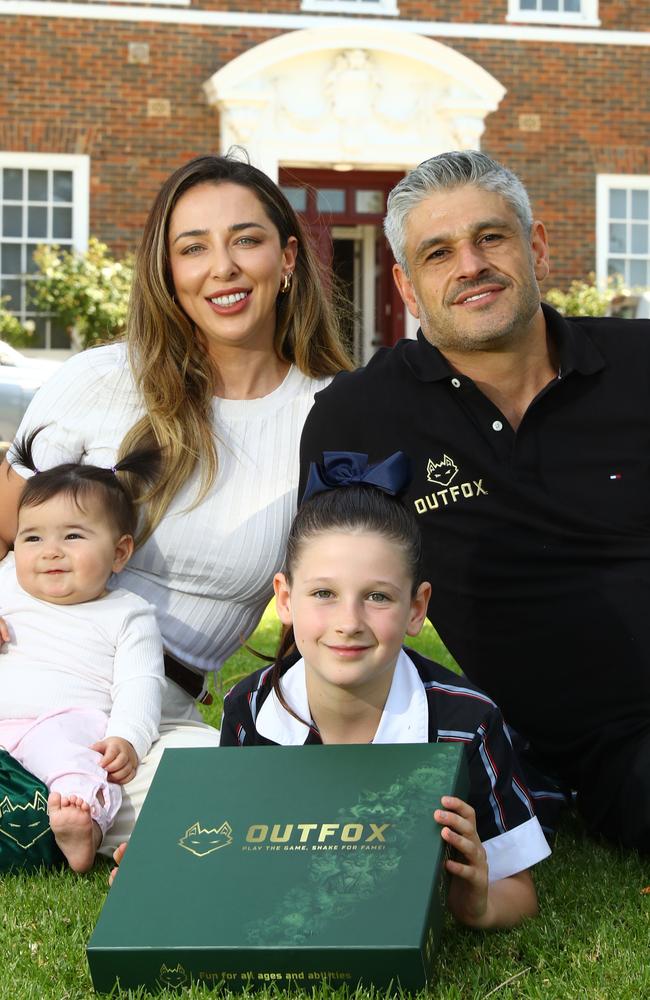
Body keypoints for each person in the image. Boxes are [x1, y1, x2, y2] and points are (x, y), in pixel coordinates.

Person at [0, 152, 352, 856]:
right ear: (167, 271)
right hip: (23, 671)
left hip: (146, 719)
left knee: (259, 806)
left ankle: (83, 815)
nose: (221, 267)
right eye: (192, 248)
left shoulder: (332, 414)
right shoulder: (101, 381)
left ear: (287, 260)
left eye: (245, 240)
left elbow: (327, 600)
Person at [299, 149, 650, 853]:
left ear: (537, 246)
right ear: (405, 282)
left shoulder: (639, 363)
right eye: (439, 252)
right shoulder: (362, 418)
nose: (471, 265)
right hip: (610, 741)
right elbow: (334, 592)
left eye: (491, 237)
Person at [220, 453, 550, 929]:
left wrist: (476, 902)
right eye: (323, 594)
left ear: (416, 608)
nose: (348, 623)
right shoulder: (249, 708)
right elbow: (234, 852)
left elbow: (518, 891)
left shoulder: (467, 724)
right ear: (286, 599)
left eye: (377, 596)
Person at [0, 433, 165, 872]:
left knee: (78, 765)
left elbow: (141, 684)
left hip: (67, 723)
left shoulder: (128, 614)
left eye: (72, 535)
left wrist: (127, 736)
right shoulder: (6, 584)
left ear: (119, 552)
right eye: (31, 539)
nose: (50, 551)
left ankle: (82, 827)